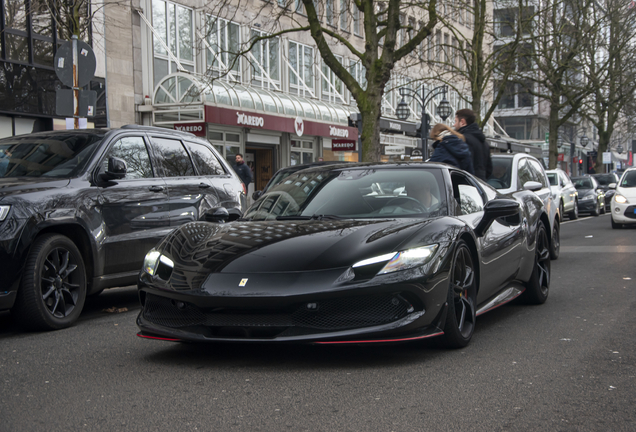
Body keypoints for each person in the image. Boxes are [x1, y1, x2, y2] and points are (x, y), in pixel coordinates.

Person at [454, 109, 492, 181]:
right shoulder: (484, 142)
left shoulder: (463, 140)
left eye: (455, 121)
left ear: (462, 122)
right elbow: (489, 169)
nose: (454, 125)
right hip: (482, 184)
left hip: (467, 184)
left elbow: (462, 165)